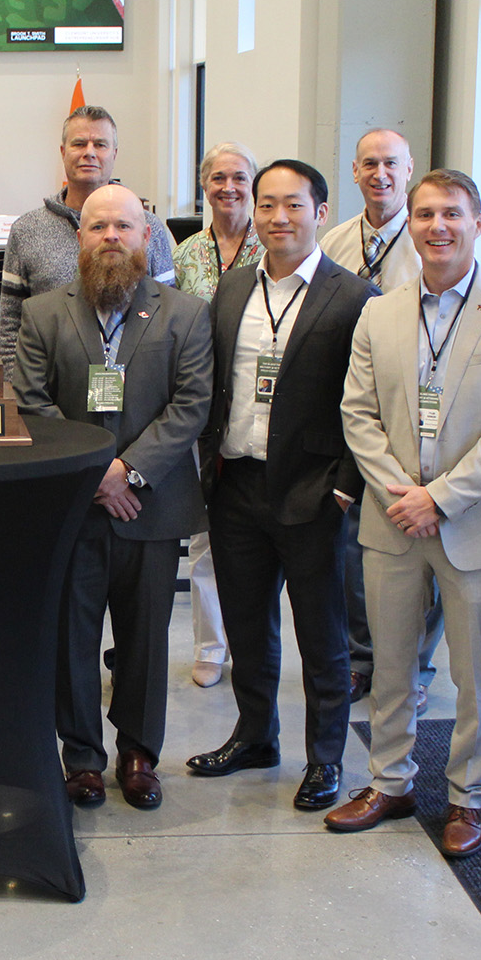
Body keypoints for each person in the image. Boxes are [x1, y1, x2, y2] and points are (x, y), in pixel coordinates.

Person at [326, 169, 481, 858]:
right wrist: (402, 494)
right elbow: (356, 413)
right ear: (412, 224)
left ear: (478, 222)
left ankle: (467, 797)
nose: (437, 227)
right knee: (390, 665)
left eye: (452, 213)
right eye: (424, 214)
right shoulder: (379, 312)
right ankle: (390, 782)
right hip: (392, 522)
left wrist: (440, 498)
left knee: (473, 675)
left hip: (473, 525)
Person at [12, 184, 213, 811]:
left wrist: (131, 471)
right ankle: (82, 758)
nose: (110, 238)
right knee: (72, 636)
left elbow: (191, 405)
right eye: (98, 227)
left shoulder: (184, 314)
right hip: (72, 508)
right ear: (79, 237)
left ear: (146, 236)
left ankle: (138, 753)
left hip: (151, 507)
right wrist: (98, 474)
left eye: (123, 227)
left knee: (147, 637)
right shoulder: (45, 312)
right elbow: (30, 401)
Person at [187, 160, 375, 812]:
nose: (277, 218)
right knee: (247, 624)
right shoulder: (234, 289)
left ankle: (326, 758)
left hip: (315, 490)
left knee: (322, 636)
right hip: (236, 482)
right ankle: (255, 736)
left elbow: (367, 402)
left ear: (321, 211)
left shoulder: (353, 298)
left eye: (292, 205)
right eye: (266, 205)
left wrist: (348, 487)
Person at [318, 128, 440, 708]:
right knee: (353, 554)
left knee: (425, 553)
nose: (380, 174)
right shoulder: (335, 242)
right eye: (369, 163)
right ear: (354, 170)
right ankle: (362, 659)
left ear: (409, 167)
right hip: (355, 417)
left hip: (420, 419)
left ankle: (416, 666)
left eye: (391, 163)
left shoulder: (432, 242)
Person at [171, 142, 266, 690]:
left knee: (253, 536)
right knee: (205, 532)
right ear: (203, 185)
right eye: (217, 178)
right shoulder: (185, 254)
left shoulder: (272, 247)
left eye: (239, 177)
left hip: (256, 406)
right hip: (197, 405)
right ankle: (210, 645)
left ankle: (251, 642)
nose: (228, 187)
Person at [0, 105, 178, 379]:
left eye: (101, 144)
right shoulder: (27, 230)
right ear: (63, 152)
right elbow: (11, 326)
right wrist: (25, 394)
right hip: (51, 395)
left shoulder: (149, 227)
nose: (89, 152)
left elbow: (169, 317)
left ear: (114, 153)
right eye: (79, 143)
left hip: (139, 392)